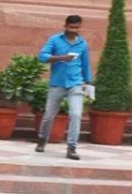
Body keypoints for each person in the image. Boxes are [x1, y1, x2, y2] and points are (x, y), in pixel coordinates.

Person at [35, 14, 92, 160]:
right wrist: (61, 58)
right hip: (57, 83)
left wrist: (88, 82)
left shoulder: (82, 44)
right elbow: (42, 57)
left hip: (75, 83)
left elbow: (86, 64)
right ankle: (42, 139)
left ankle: (71, 148)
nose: (74, 30)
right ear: (65, 26)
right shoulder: (55, 40)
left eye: (77, 27)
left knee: (76, 114)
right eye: (71, 27)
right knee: (49, 115)